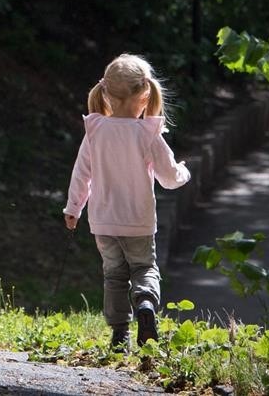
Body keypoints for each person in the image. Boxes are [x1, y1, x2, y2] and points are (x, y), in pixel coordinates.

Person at [63, 53, 191, 350]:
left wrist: (73, 209)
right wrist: (184, 172)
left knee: (114, 276)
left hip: (103, 222)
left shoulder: (95, 131)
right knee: (144, 268)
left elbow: (81, 174)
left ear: (105, 93)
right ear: (146, 95)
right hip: (139, 222)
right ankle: (145, 302)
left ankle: (119, 334)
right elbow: (169, 178)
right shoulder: (147, 133)